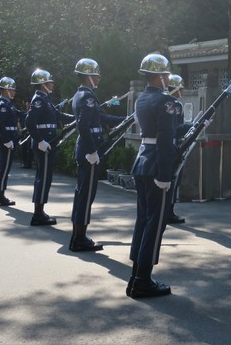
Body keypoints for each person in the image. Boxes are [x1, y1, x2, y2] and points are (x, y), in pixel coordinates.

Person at [126, 54, 177, 298]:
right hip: (157, 165)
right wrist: (165, 173)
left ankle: (136, 275)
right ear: (160, 76)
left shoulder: (142, 98)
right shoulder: (165, 101)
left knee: (143, 220)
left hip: (142, 161)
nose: (168, 77)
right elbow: (166, 139)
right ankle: (143, 281)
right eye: (166, 73)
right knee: (155, 224)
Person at [69, 58, 125, 252]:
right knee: (85, 196)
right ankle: (79, 239)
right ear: (89, 76)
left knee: (82, 194)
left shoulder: (81, 94)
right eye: (96, 74)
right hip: (88, 150)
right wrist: (92, 150)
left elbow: (100, 117)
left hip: (86, 148)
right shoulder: (87, 97)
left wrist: (126, 119)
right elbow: (83, 126)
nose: (99, 78)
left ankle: (77, 237)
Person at [25, 69, 74, 226]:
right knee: (44, 178)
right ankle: (38, 215)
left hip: (47, 143)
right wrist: (40, 140)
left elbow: (59, 115)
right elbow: (29, 122)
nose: (52, 84)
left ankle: (39, 212)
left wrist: (76, 118)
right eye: (50, 82)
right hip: (44, 144)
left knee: (44, 177)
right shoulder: (39, 99)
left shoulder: (45, 99)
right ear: (43, 84)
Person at [0, 77, 24, 207]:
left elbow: (19, 114)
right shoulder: (3, 104)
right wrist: (7, 140)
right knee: (3, 170)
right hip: (6, 140)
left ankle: (0, 195)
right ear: (6, 90)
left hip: (9, 139)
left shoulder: (7, 103)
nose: (14, 91)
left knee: (4, 169)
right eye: (13, 89)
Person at [165, 73, 190, 225]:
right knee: (173, 180)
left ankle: (167, 211)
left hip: (167, 145)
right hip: (172, 146)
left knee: (171, 181)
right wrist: (193, 125)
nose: (182, 91)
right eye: (181, 89)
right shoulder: (174, 105)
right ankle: (168, 212)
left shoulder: (167, 102)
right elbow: (176, 128)